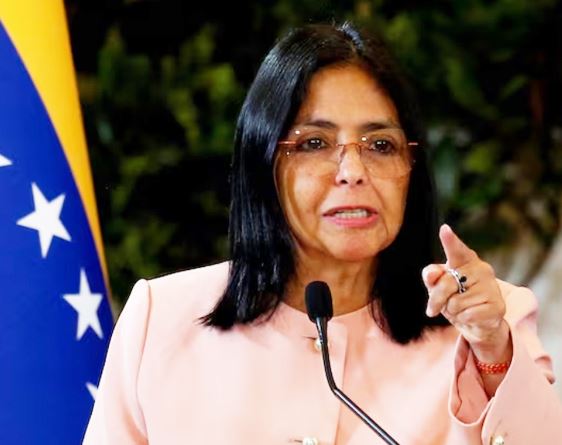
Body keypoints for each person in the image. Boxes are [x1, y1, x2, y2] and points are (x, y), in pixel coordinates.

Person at [83, 22, 562, 444]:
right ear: (263, 161)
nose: (353, 171)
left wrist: (491, 351)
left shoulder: (491, 322)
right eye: (315, 142)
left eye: (380, 145)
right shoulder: (160, 319)